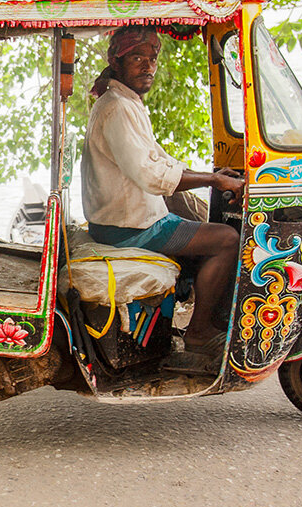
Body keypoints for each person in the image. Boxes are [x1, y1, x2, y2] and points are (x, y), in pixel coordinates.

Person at [81, 25, 244, 360]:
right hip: (131, 229)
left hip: (129, 220)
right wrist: (213, 182)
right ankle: (199, 333)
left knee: (196, 217)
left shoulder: (126, 102)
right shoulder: (117, 108)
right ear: (116, 61)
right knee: (227, 239)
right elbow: (150, 175)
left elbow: (158, 159)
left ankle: (200, 314)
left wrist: (209, 175)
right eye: (138, 57)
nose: (148, 66)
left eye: (153, 57)